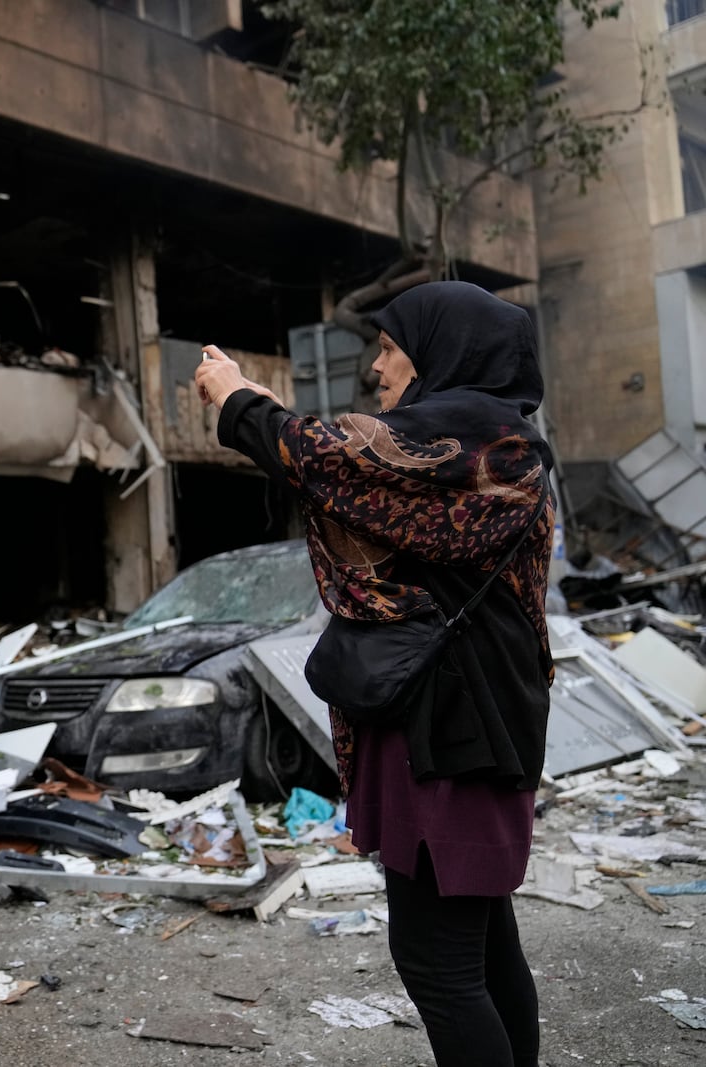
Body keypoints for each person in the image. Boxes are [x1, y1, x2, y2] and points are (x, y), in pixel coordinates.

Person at [193, 281, 555, 1067]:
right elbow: (348, 461)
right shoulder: (480, 445)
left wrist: (241, 407)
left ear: (443, 352)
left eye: (392, 348)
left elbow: (340, 464)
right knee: (485, 953)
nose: (377, 368)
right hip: (458, 726)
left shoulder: (484, 450)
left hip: (453, 735)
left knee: (441, 968)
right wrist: (259, 405)